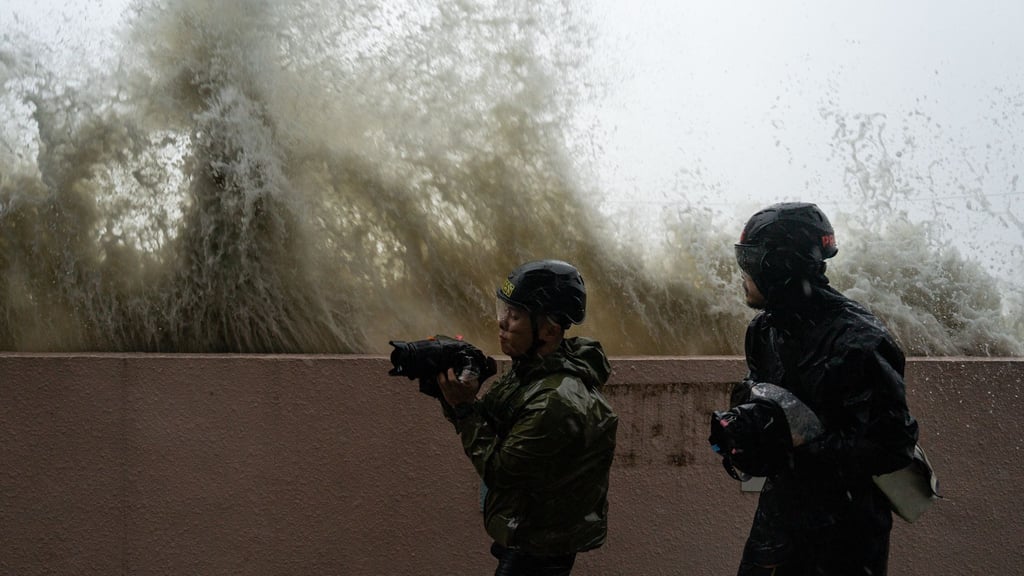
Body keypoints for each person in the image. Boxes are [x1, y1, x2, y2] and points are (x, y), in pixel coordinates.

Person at [709, 202, 920, 576]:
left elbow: (892, 445)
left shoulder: (859, 340)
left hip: (845, 536)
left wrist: (800, 446)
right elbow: (767, 401)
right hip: (778, 519)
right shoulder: (763, 331)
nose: (742, 272)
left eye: (751, 260)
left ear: (779, 267)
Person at [436, 259, 618, 576]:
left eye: (516, 315)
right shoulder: (530, 372)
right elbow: (486, 424)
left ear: (549, 329)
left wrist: (463, 409)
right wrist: (452, 394)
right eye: (503, 310)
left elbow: (499, 470)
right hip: (525, 538)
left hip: (538, 552)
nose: (502, 323)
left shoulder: (553, 400)